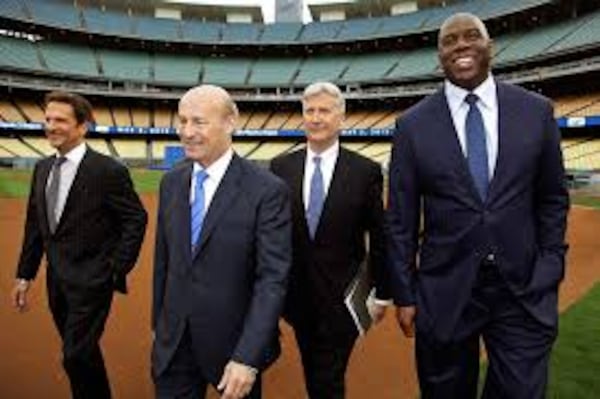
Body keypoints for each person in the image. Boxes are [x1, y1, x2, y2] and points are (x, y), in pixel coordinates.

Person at [386, 12, 569, 399]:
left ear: (491, 47)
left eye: (472, 36)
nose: (461, 45)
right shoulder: (411, 126)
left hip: (522, 287)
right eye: (450, 41)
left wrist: (551, 261)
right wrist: (404, 293)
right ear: (439, 56)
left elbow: (552, 198)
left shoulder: (536, 112)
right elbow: (400, 219)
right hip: (445, 290)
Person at [152, 84, 292, 399]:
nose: (187, 132)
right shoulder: (171, 183)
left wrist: (247, 356)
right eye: (182, 121)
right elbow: (164, 260)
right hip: (174, 345)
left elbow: (272, 279)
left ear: (230, 122)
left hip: (234, 349)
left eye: (199, 122)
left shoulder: (267, 191)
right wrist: (158, 326)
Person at [11, 91, 148, 399]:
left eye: (60, 120)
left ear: (83, 126)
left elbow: (136, 219)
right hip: (56, 280)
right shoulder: (42, 168)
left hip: (93, 280)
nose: (51, 126)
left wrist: (115, 269)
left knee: (74, 354)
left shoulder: (107, 171)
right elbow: (35, 226)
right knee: (81, 354)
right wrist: (24, 275)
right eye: (47, 119)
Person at [270, 81, 390, 399]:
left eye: (324, 110)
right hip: (296, 298)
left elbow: (379, 237)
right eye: (310, 111)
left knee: (328, 377)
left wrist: (382, 293)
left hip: (344, 299)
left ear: (341, 118)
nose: (316, 118)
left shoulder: (366, 171)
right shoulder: (281, 167)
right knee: (315, 370)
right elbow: (271, 235)